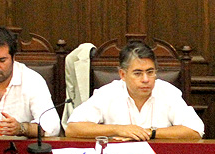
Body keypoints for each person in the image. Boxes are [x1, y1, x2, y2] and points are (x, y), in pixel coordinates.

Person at [66, 41, 204, 140]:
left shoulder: (168, 92)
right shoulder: (108, 93)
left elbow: (195, 130)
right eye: (138, 73)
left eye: (150, 72)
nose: (146, 79)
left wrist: (150, 133)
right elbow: (72, 128)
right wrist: (119, 129)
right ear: (123, 74)